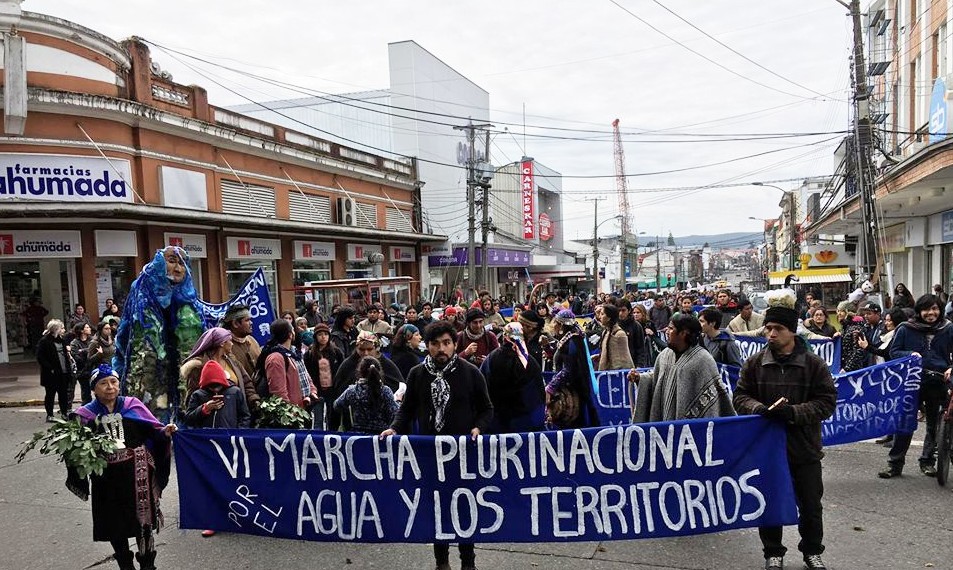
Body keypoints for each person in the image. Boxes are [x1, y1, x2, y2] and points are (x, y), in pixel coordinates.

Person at [732, 290, 837, 570]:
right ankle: (773, 552)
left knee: (811, 506)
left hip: (804, 448)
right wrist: (759, 409)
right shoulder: (754, 364)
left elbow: (826, 403)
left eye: (777, 329)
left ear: (792, 331)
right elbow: (740, 396)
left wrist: (792, 413)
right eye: (768, 328)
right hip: (767, 450)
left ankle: (812, 552)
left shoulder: (814, 365)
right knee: (769, 503)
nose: (771, 334)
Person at [380, 320, 491, 570]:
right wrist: (394, 428)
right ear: (427, 346)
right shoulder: (417, 374)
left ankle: (468, 561)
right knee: (437, 510)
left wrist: (478, 428)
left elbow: (487, 409)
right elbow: (406, 409)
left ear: (454, 344)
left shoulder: (470, 372)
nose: (441, 349)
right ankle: (441, 561)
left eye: (446, 343)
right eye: (435, 344)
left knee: (464, 508)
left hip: (463, 455)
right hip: (431, 455)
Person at [70, 365, 176, 570]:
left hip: (137, 476)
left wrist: (165, 432)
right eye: (103, 383)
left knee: (142, 521)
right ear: (94, 389)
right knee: (114, 523)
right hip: (106, 480)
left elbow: (154, 431)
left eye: (113, 382)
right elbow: (76, 451)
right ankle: (125, 564)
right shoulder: (84, 415)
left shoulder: (132, 405)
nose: (110, 387)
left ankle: (147, 563)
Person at [879, 294, 953, 478]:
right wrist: (910, 353)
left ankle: (928, 462)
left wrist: (951, 368)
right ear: (919, 311)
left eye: (935, 309)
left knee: (935, 425)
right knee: (905, 422)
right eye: (927, 309)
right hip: (912, 382)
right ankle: (895, 464)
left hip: (938, 382)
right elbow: (893, 352)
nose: (931, 313)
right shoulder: (905, 328)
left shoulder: (948, 328)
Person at [631, 313, 735, 423]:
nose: (666, 331)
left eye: (671, 328)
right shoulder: (664, 355)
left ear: (683, 333)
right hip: (664, 424)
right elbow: (658, 379)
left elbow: (714, 401)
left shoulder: (703, 360)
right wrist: (641, 379)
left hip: (692, 432)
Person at [329, 331, 404, 431]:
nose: (366, 353)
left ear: (377, 348)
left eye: (369, 349)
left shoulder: (388, 366)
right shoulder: (347, 366)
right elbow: (337, 395)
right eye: (361, 349)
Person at [481, 322, 546, 433]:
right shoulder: (530, 362)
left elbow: (481, 388)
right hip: (524, 424)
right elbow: (538, 395)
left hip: (496, 423)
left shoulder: (491, 358)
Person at [180, 327, 259, 414]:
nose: (232, 344)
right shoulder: (199, 366)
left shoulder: (233, 362)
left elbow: (246, 382)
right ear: (222, 344)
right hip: (211, 419)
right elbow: (192, 397)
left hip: (235, 415)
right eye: (230, 341)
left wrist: (253, 399)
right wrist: (204, 408)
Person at [545, 310, 600, 429]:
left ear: (561, 325)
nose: (553, 325)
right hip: (568, 389)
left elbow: (569, 368)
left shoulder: (573, 341)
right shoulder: (567, 339)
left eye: (555, 322)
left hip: (574, 392)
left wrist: (551, 387)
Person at [259, 319, 317, 410]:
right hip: (293, 413)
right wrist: (291, 412)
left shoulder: (295, 352)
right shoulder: (276, 358)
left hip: (305, 406)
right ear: (290, 334)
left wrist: (312, 392)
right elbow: (278, 392)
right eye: (293, 330)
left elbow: (306, 375)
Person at [333, 356, 398, 435]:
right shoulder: (385, 391)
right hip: (381, 435)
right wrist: (398, 400)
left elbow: (337, 405)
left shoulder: (352, 390)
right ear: (379, 371)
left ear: (360, 372)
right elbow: (394, 412)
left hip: (357, 435)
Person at [183, 360, 251, 430]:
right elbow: (188, 419)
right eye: (212, 387)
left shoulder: (235, 392)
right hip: (206, 437)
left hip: (229, 437)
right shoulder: (197, 394)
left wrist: (238, 433)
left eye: (218, 386)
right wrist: (204, 409)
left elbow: (245, 416)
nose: (215, 390)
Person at [302, 323, 345, 429]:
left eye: (325, 334)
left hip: (332, 389)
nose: (323, 337)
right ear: (316, 337)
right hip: (317, 390)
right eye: (320, 334)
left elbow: (342, 369)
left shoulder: (336, 352)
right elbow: (306, 372)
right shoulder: (310, 354)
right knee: (318, 418)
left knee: (333, 417)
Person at [36, 319, 74, 422]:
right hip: (51, 373)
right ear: (55, 329)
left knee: (63, 394)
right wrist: (50, 368)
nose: (63, 330)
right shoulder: (44, 341)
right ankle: (50, 414)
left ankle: (64, 413)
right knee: (50, 394)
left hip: (63, 371)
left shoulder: (62, 340)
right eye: (61, 328)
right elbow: (40, 357)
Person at [221, 304, 261, 381]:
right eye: (247, 320)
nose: (251, 323)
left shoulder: (252, 341)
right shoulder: (224, 345)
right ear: (235, 324)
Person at [596, 303, 635, 371]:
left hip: (617, 375)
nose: (599, 317)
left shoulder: (619, 334)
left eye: (602, 314)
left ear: (609, 318)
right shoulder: (605, 332)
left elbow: (625, 360)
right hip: (606, 373)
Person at [837, 301, 867, 372]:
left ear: (848, 313)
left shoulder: (856, 328)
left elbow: (858, 351)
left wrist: (847, 368)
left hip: (853, 371)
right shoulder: (845, 327)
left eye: (842, 311)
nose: (839, 314)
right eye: (838, 311)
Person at [616, 299, 645, 368]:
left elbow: (640, 349)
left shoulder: (636, 326)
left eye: (623, 310)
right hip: (615, 366)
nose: (620, 313)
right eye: (619, 310)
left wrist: (639, 366)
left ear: (629, 311)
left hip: (632, 365)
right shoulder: (613, 326)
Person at [70, 323, 94, 405]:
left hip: (93, 368)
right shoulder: (75, 343)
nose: (89, 328)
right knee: (86, 392)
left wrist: (83, 351)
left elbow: (95, 350)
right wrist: (88, 351)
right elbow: (76, 356)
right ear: (81, 330)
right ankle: (86, 410)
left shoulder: (92, 340)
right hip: (82, 371)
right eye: (87, 327)